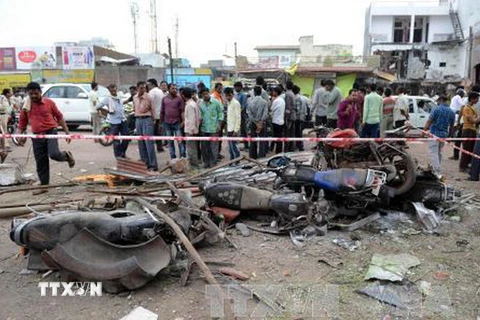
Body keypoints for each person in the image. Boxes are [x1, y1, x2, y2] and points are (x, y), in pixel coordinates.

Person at [17, 82, 75, 191]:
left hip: (51, 132)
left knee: (53, 154)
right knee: (41, 160)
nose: (33, 96)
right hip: (37, 136)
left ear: (40, 92)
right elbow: (22, 122)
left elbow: (59, 117)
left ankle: (66, 156)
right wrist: (20, 136)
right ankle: (44, 186)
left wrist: (67, 132)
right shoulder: (26, 106)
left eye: (36, 93)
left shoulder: (49, 103)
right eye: (31, 94)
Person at [424, 95, 455, 178]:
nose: (437, 102)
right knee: (439, 152)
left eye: (438, 100)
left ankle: (436, 170)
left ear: (441, 100)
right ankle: (436, 167)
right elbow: (452, 126)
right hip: (444, 135)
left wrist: (424, 130)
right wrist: (450, 137)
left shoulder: (436, 109)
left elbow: (429, 121)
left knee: (433, 153)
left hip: (434, 133)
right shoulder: (451, 112)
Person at [96, 84, 130, 158]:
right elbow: (98, 107)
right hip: (114, 122)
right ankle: (118, 155)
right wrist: (107, 110)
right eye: (112, 90)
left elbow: (121, 104)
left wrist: (128, 101)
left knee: (126, 137)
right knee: (116, 140)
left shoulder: (119, 96)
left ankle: (122, 152)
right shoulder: (107, 98)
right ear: (109, 91)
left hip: (122, 120)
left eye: (114, 90)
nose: (114, 91)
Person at [134, 81, 158, 171]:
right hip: (138, 119)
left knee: (149, 143)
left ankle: (153, 165)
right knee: (141, 143)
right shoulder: (135, 97)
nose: (143, 89)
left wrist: (154, 121)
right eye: (141, 88)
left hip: (147, 119)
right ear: (137, 88)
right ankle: (145, 163)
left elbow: (153, 109)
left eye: (144, 88)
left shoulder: (149, 97)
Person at [199, 88, 224, 168]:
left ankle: (213, 162)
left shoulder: (216, 102)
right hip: (204, 128)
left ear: (209, 93)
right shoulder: (200, 104)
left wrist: (219, 125)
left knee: (214, 147)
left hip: (214, 128)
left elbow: (221, 114)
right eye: (204, 94)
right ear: (201, 95)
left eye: (207, 93)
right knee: (204, 147)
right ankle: (206, 162)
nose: (206, 95)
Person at [160, 83, 185, 159]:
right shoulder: (164, 99)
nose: (175, 90)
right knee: (170, 142)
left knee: (180, 141)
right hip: (167, 123)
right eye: (173, 89)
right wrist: (161, 123)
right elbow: (162, 111)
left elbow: (182, 111)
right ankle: (173, 158)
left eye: (175, 89)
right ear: (168, 89)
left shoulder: (179, 99)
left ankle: (182, 157)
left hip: (177, 122)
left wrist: (183, 121)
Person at [459, 92, 479, 172]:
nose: (477, 100)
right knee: (466, 149)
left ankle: (466, 165)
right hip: (468, 130)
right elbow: (472, 120)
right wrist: (478, 119)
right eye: (476, 98)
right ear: (472, 99)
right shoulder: (467, 108)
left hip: (472, 130)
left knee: (470, 150)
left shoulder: (472, 108)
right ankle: (463, 167)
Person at [247, 86, 269, 159]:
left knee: (253, 140)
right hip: (262, 124)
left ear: (254, 92)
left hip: (253, 123)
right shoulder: (264, 102)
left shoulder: (250, 102)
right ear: (261, 93)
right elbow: (265, 114)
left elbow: (249, 115)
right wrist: (260, 123)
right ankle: (262, 156)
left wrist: (256, 123)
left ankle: (253, 156)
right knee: (262, 141)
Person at [183, 87, 201, 168]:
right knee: (192, 149)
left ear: (183, 95)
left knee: (191, 150)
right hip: (193, 130)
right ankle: (194, 165)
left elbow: (192, 119)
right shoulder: (193, 103)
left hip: (190, 131)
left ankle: (194, 166)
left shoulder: (190, 105)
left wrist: (191, 131)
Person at [147, 78, 165, 152]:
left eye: (148, 85)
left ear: (153, 84)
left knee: (150, 133)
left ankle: (151, 149)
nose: (147, 86)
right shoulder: (160, 91)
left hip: (153, 116)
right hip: (160, 115)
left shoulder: (151, 92)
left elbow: (149, 103)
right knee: (158, 133)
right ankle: (159, 147)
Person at [225, 87, 241, 160]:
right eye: (226, 96)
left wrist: (236, 130)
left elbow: (238, 118)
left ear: (232, 94)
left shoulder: (236, 103)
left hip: (233, 129)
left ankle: (237, 160)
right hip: (229, 128)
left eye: (229, 95)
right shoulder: (229, 103)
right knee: (230, 147)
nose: (227, 97)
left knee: (234, 146)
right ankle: (232, 160)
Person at [449, 89, 466, 160]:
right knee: (457, 128)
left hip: (453, 113)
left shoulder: (454, 97)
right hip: (456, 114)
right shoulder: (458, 97)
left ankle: (451, 136)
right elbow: (463, 105)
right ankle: (452, 136)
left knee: (453, 127)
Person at [270, 86, 285, 154]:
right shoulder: (282, 100)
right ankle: (278, 150)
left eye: (273, 91)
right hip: (281, 120)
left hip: (276, 121)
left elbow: (272, 110)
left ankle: (278, 151)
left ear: (276, 92)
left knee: (276, 136)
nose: (272, 92)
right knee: (279, 136)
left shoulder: (276, 101)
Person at [234, 81, 248, 149]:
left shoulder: (243, 95)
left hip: (241, 116)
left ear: (240, 87)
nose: (235, 88)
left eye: (236, 87)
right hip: (237, 115)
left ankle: (246, 145)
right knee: (238, 130)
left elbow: (243, 106)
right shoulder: (236, 95)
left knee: (243, 130)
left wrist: (238, 113)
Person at [293, 85, 307, 151]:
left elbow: (298, 109)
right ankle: (299, 145)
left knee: (297, 132)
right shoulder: (302, 98)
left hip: (297, 118)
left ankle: (300, 146)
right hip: (301, 117)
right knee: (299, 132)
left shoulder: (296, 98)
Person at [284, 81, 297, 152]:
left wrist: (286, 117)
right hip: (293, 115)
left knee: (288, 133)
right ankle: (291, 148)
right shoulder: (292, 93)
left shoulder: (288, 94)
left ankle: (288, 149)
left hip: (290, 116)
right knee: (292, 133)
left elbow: (288, 107)